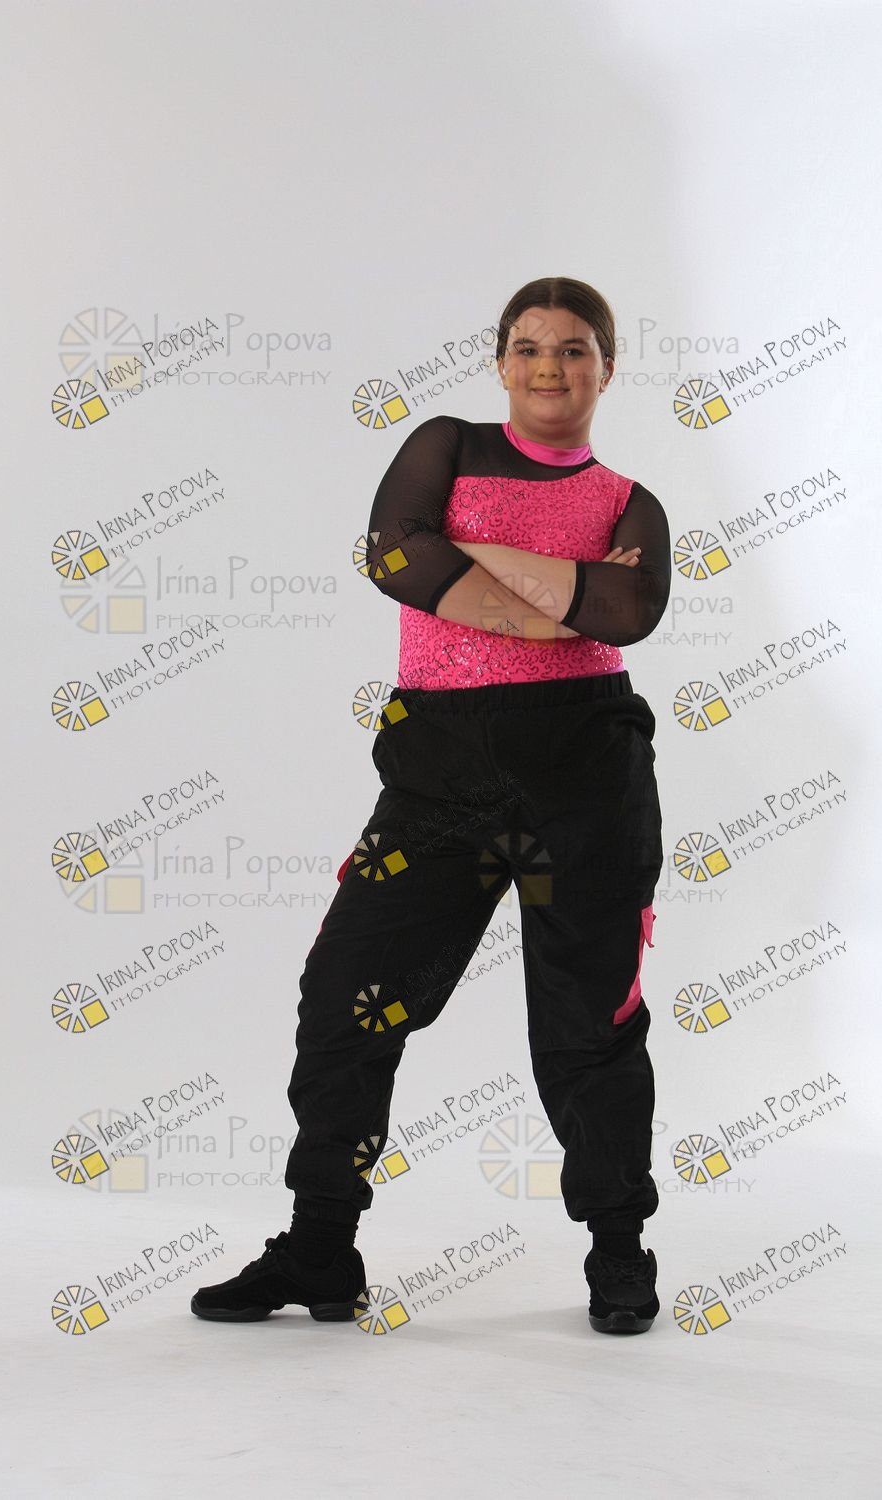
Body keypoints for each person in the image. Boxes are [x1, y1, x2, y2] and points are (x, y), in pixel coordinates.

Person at [191, 276, 670, 1335]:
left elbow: (629, 609)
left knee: (589, 1022)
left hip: (586, 777)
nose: (550, 367)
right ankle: (321, 1246)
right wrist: (559, 602)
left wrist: (474, 558)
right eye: (530, 347)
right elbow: (393, 553)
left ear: (608, 367)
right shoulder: (445, 446)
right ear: (500, 361)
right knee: (345, 996)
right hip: (438, 776)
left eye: (575, 349)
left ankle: (618, 1249)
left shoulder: (632, 502)